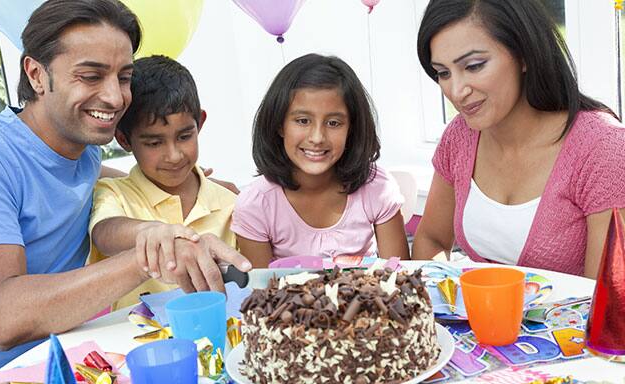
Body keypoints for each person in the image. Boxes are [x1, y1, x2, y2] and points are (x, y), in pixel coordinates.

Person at [0, 1, 249, 384]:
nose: (116, 98)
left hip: (70, 368)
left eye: (123, 77)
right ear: (36, 74)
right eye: (90, 76)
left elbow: (93, 175)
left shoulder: (84, 154)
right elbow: (2, 319)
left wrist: (195, 183)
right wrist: (151, 253)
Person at [412, 0, 625, 278]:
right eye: (443, 73)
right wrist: (447, 295)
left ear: (524, 53)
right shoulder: (461, 135)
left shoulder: (602, 147)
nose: (456, 91)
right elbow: (432, 240)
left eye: (474, 66)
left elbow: (609, 298)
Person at [231, 53, 410, 268]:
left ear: (351, 129)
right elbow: (261, 291)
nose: (317, 137)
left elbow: (400, 277)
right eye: (303, 121)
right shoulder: (256, 204)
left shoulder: (377, 187)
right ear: (279, 124)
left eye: (334, 123)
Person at [89, 55, 237, 310]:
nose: (174, 155)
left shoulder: (230, 202)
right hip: (141, 346)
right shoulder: (114, 192)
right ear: (124, 140)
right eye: (154, 143)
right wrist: (154, 234)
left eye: (184, 136)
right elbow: (104, 232)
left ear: (199, 123)